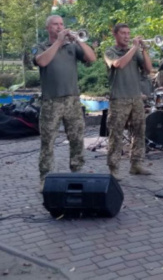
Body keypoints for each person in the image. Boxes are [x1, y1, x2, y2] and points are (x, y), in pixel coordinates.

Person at [33, 15, 96, 190]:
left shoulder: (72, 47)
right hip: (51, 101)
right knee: (48, 141)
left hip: (72, 101)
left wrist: (78, 40)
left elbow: (92, 58)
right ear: (48, 28)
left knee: (77, 138)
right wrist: (58, 42)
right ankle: (45, 178)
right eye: (55, 24)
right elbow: (42, 61)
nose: (60, 27)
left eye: (61, 24)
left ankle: (77, 172)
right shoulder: (41, 47)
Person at [104, 23, 153, 180]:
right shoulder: (110, 51)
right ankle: (113, 168)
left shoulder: (135, 52)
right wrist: (134, 48)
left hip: (135, 98)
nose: (127, 36)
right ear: (116, 35)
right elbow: (119, 64)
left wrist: (144, 49)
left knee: (139, 131)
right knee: (116, 134)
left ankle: (136, 164)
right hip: (119, 98)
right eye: (123, 33)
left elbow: (148, 69)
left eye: (128, 33)